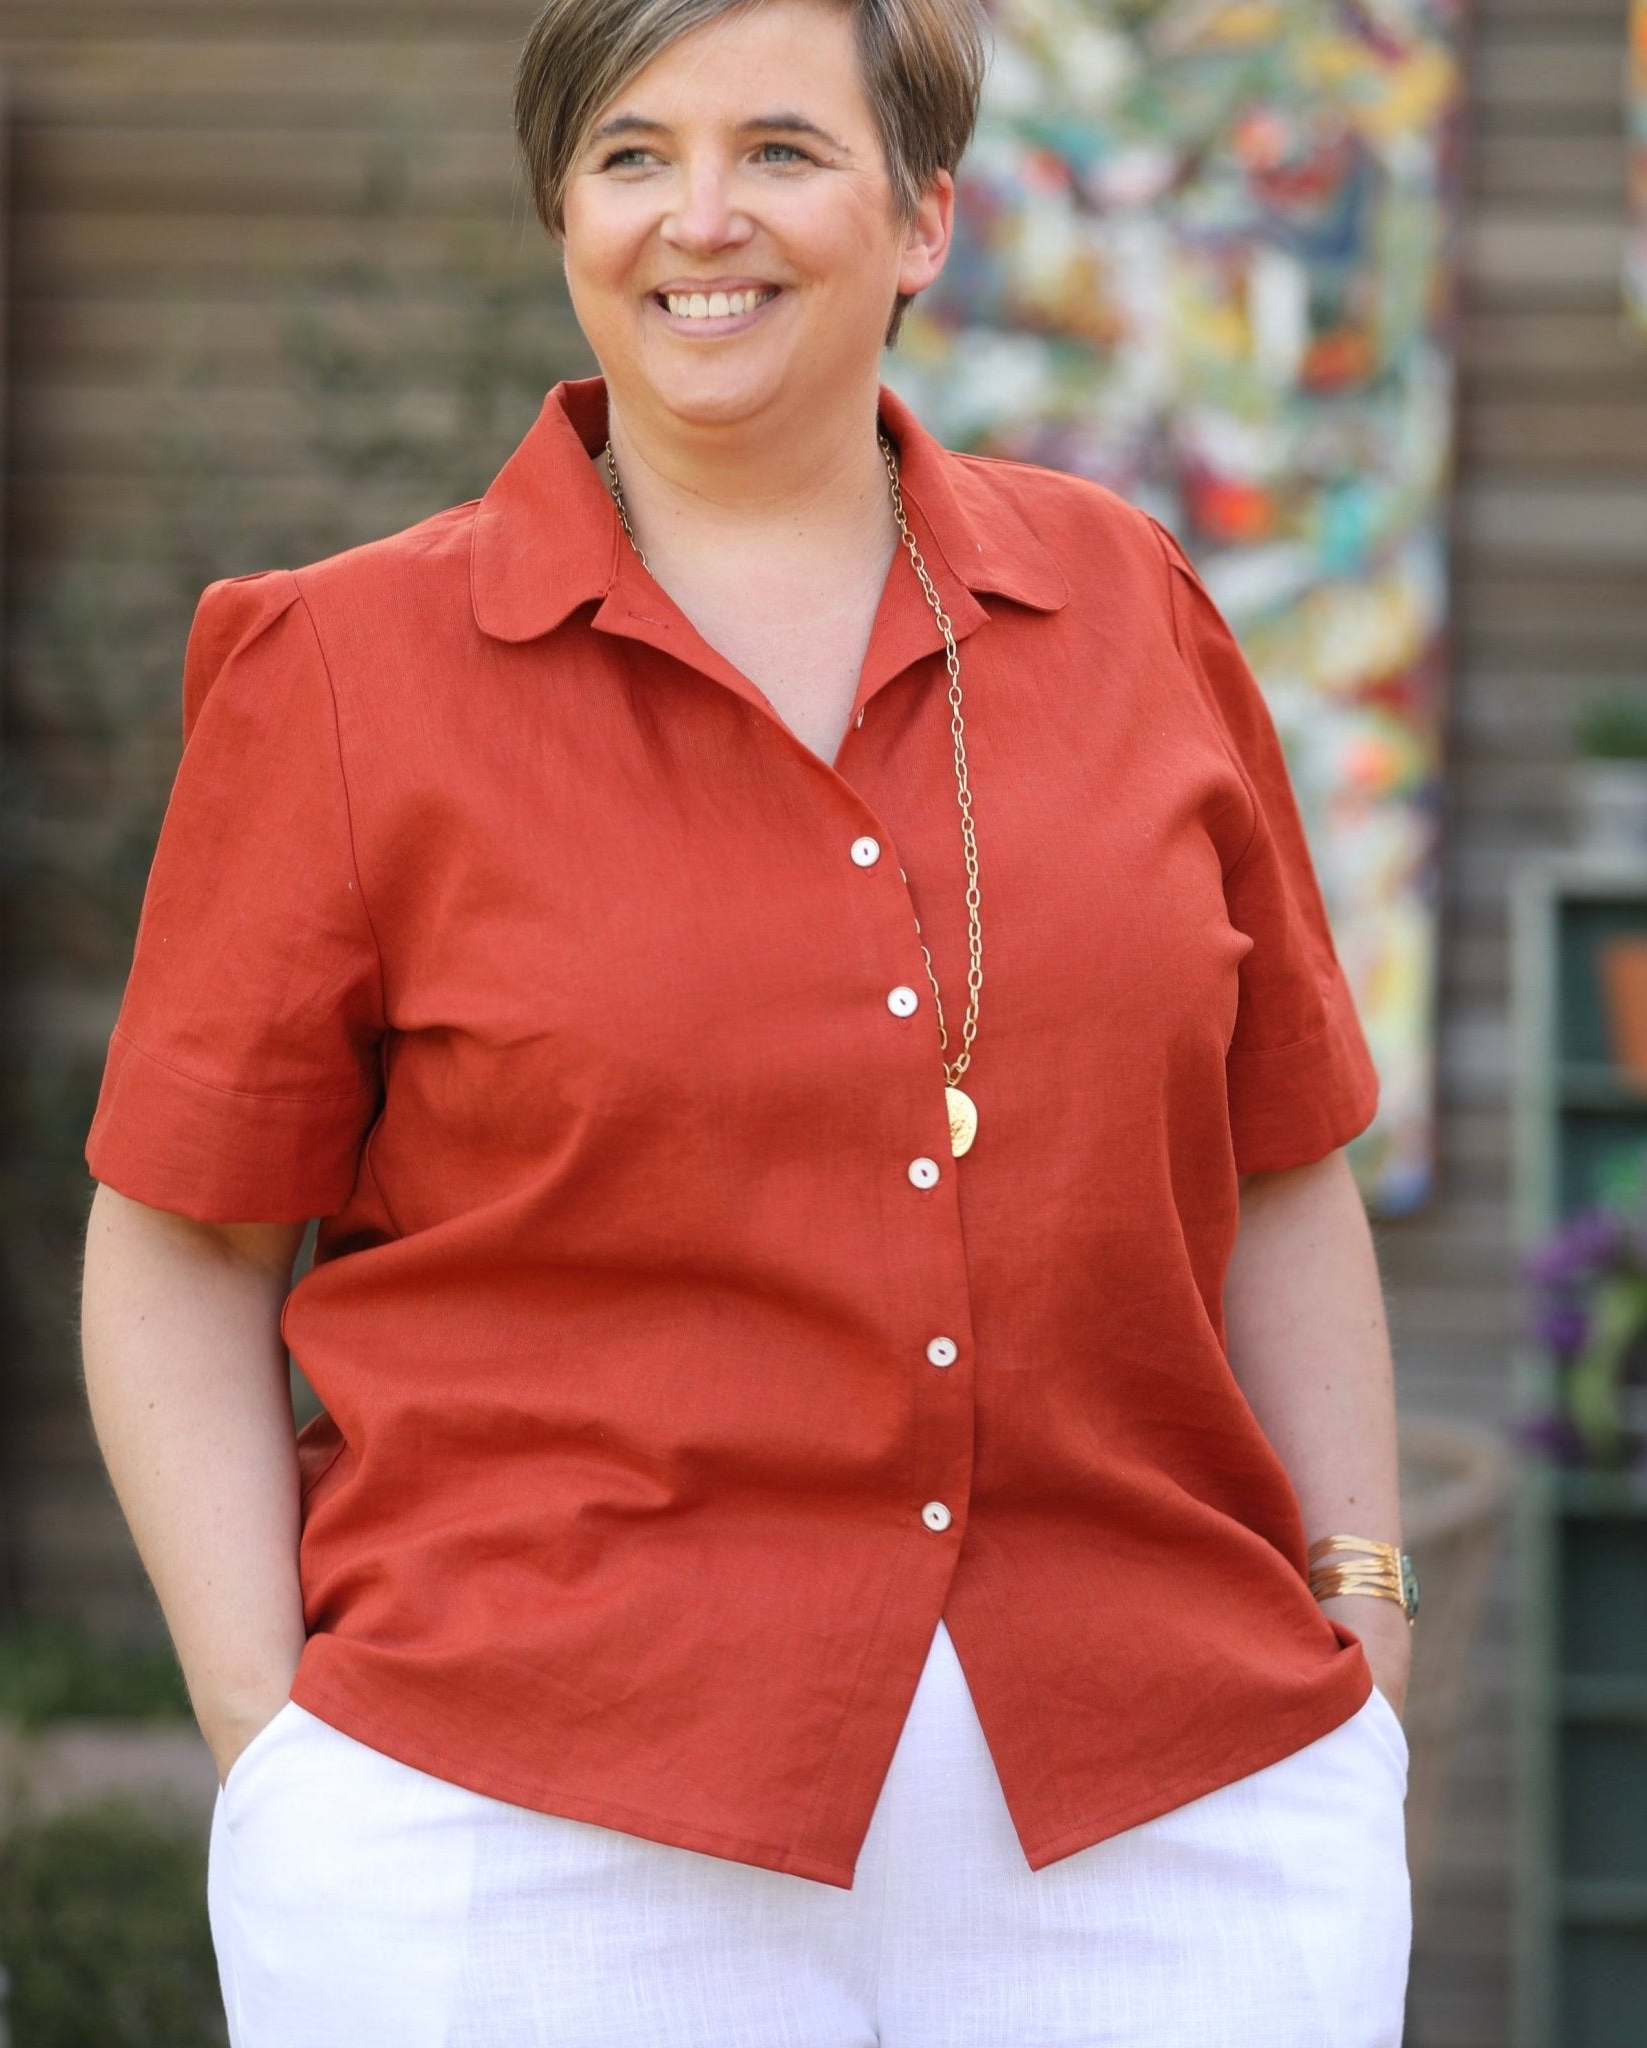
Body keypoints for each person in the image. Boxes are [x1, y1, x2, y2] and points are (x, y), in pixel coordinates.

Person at [77, 0, 1416, 2038]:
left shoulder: (1129, 606)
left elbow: (1284, 1159)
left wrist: (1363, 1614)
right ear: (565, 214)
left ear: (923, 217)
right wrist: (272, 1732)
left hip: (1174, 1808)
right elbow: (183, 1238)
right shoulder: (345, 669)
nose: (701, 218)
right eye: (632, 155)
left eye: (780, 149)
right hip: (519, 1829)